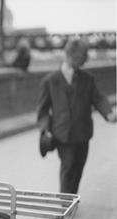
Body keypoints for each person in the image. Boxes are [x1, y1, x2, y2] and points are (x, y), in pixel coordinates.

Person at [37, 38, 117, 193]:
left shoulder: (88, 78)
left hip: (83, 133)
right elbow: (43, 110)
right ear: (69, 56)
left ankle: (71, 199)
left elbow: (98, 98)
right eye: (82, 58)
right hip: (62, 134)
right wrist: (45, 129)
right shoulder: (50, 81)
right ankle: (66, 204)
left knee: (78, 167)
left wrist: (108, 113)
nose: (85, 62)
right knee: (68, 167)